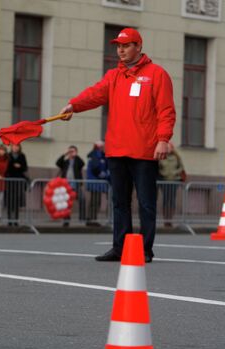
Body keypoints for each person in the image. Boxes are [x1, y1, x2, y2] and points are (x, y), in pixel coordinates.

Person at [58, 28, 176, 262]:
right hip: (117, 150)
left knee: (146, 203)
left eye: (126, 45)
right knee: (120, 202)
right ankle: (119, 248)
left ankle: (145, 250)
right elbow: (94, 94)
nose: (120, 50)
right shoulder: (114, 76)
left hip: (144, 151)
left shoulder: (157, 74)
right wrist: (73, 105)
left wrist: (163, 140)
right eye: (118, 46)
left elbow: (166, 111)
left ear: (138, 47)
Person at [55, 145, 86, 226]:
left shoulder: (78, 161)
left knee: (82, 200)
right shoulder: (66, 161)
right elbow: (58, 163)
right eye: (70, 151)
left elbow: (82, 164)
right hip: (66, 185)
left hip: (76, 184)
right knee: (66, 203)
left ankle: (82, 218)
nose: (71, 153)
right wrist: (64, 154)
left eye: (72, 151)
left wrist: (76, 156)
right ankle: (66, 220)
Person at [158, 147, 186, 227]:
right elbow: (158, 167)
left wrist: (175, 172)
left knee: (172, 201)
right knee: (166, 201)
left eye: (170, 148)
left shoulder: (176, 157)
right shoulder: (162, 156)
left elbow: (181, 168)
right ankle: (166, 220)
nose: (168, 149)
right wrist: (162, 173)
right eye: (167, 148)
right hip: (164, 181)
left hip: (174, 181)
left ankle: (170, 220)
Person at [85, 141, 110, 226]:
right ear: (99, 147)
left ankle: (91, 219)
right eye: (103, 146)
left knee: (95, 201)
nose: (104, 147)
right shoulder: (95, 155)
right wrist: (104, 175)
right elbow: (96, 169)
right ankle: (91, 220)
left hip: (97, 182)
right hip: (95, 182)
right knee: (95, 201)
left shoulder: (99, 155)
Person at [5, 144, 28, 226]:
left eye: (17, 146)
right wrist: (12, 166)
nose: (15, 148)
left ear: (19, 147)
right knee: (9, 202)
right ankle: (9, 220)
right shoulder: (8, 155)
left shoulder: (22, 156)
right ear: (11, 147)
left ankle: (16, 220)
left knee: (16, 202)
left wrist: (20, 166)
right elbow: (6, 167)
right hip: (9, 180)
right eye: (14, 146)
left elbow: (25, 168)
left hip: (18, 180)